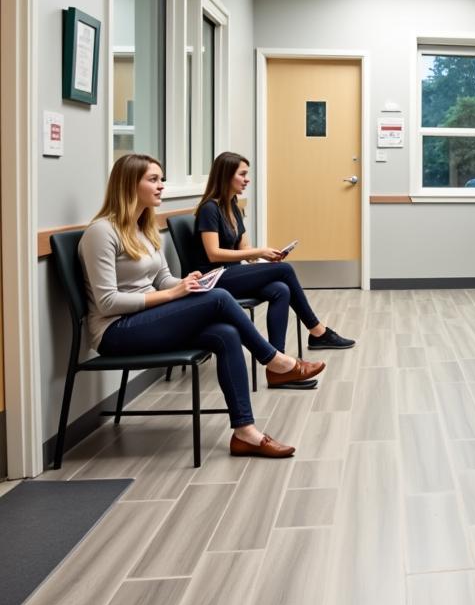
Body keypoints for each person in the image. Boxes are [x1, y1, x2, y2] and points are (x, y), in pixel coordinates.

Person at [79, 154, 325, 458]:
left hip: (146, 318)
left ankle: (245, 433)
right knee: (219, 297)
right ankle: (274, 360)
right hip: (115, 331)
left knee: (225, 333)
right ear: (129, 184)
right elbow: (107, 302)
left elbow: (163, 279)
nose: (161, 186)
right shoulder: (101, 232)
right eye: (153, 180)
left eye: (162, 179)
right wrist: (173, 295)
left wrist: (187, 282)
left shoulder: (144, 229)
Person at [195, 152, 354, 353]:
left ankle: (277, 359)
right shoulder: (210, 209)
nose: (247, 179)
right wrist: (260, 251)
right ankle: (318, 331)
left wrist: (265, 255)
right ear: (226, 176)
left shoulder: (233, 206)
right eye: (242, 174)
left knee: (281, 289)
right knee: (285, 269)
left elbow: (244, 249)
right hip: (213, 278)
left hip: (232, 274)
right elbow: (213, 254)